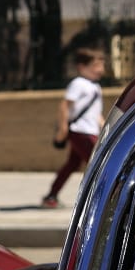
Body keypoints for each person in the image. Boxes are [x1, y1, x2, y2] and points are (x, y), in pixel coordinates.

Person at [42, 48, 106, 208]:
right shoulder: (78, 84)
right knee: (98, 166)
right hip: (80, 131)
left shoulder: (95, 87)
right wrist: (63, 128)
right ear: (82, 67)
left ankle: (51, 196)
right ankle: (98, 201)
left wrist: (105, 127)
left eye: (101, 66)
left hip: (89, 130)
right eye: (96, 66)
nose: (100, 70)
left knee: (72, 164)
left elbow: (95, 113)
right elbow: (64, 105)